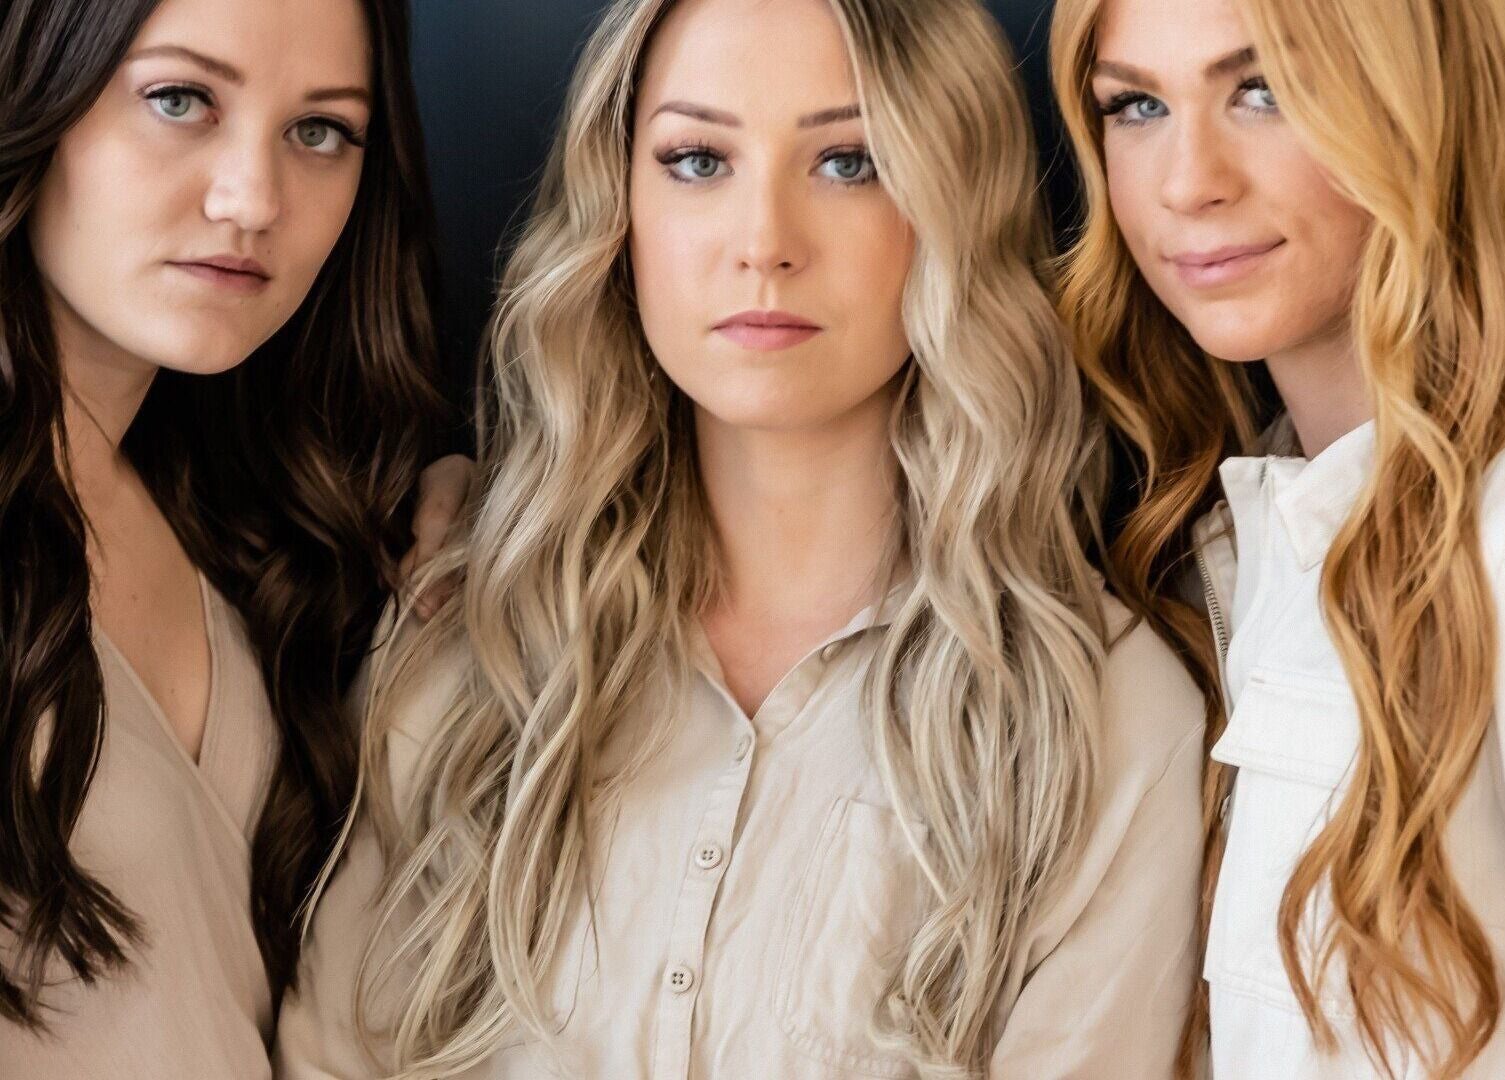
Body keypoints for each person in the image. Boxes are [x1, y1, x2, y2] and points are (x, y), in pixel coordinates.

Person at [276, 0, 1207, 1077]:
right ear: (618, 210)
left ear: (949, 202)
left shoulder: (1103, 712)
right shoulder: (458, 636)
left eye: (849, 161)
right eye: (696, 159)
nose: (763, 242)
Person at [0, 0, 467, 1074]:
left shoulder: (231, 516)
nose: (252, 199)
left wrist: (470, 502)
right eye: (180, 99)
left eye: (320, 131)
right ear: (40, 89)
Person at [1052, 0, 1505, 1074]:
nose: (1184, 180)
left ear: (1419, 100)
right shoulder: (1210, 558)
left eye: (1262, 90)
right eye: (1134, 106)